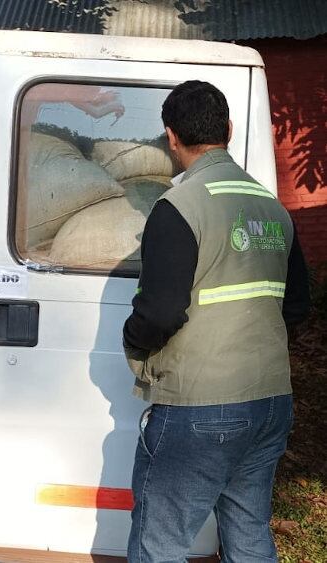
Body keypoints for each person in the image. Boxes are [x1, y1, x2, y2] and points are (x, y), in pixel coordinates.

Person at [122, 81, 310, 563]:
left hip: (202, 409)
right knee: (247, 532)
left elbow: (160, 312)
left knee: (158, 542)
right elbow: (296, 308)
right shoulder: (273, 208)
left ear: (171, 137)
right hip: (269, 403)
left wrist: (133, 339)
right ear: (227, 130)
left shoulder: (179, 207)